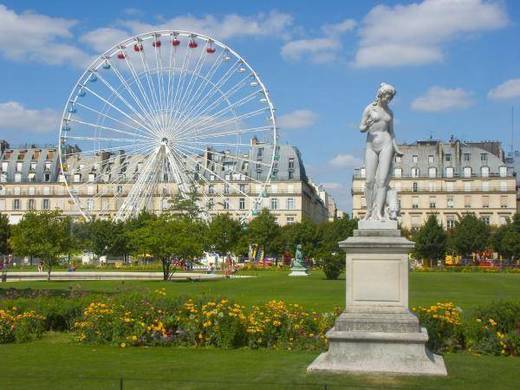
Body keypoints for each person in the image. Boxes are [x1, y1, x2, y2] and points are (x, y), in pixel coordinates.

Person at [359, 82, 402, 221]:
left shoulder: (390, 112)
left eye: (391, 96)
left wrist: (397, 148)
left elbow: (392, 132)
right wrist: (367, 125)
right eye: (387, 95)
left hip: (387, 144)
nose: (389, 99)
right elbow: (361, 128)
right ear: (381, 94)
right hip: (371, 145)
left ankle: (379, 212)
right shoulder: (369, 109)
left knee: (382, 181)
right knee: (369, 181)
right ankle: (369, 211)